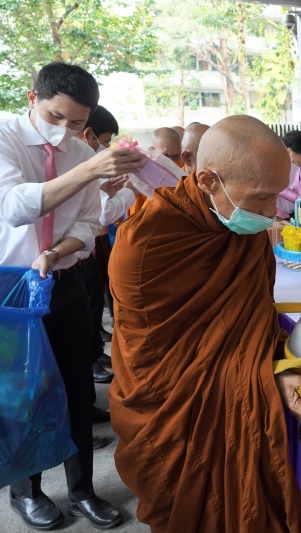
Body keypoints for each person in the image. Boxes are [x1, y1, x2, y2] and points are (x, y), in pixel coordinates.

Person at [108, 115, 301, 533]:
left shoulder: (243, 230)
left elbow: (254, 323)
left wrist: (282, 373)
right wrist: (259, 379)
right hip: (176, 422)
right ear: (208, 179)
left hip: (234, 417)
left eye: (277, 197)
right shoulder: (146, 245)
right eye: (261, 199)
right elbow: (158, 367)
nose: (271, 214)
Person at [0, 61, 145, 530]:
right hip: (10, 286)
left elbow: (89, 222)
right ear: (31, 98)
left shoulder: (82, 151)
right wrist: (89, 172)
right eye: (56, 117)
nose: (65, 131)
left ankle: (82, 488)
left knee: (76, 387)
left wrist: (58, 251)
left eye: (78, 122)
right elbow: (16, 206)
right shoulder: (4, 137)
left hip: (62, 281)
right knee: (24, 393)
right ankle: (26, 491)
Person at [76, 105, 139, 433]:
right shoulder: (77, 165)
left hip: (79, 261)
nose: (104, 147)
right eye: (102, 140)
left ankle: (84, 409)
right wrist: (131, 190)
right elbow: (101, 220)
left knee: (84, 335)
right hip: (63, 267)